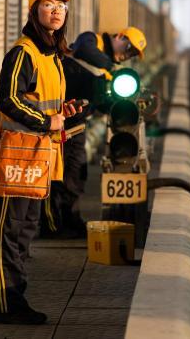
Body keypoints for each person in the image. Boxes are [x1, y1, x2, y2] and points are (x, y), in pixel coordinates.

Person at [0, 0, 81, 325]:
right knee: (8, 227)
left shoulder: (51, 54)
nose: (56, 11)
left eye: (61, 7)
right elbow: (7, 98)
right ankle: (4, 304)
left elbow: (35, 97)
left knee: (24, 228)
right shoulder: (24, 52)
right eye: (48, 5)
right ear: (34, 11)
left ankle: (16, 297)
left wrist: (63, 110)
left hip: (37, 153)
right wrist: (45, 119)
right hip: (16, 152)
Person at [54, 27, 147, 236]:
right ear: (120, 36)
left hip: (77, 124)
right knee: (65, 175)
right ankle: (57, 224)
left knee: (77, 173)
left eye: (132, 55)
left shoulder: (106, 72)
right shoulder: (91, 40)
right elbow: (83, 50)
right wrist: (111, 67)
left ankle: (71, 220)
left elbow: (101, 102)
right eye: (129, 48)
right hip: (61, 122)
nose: (127, 55)